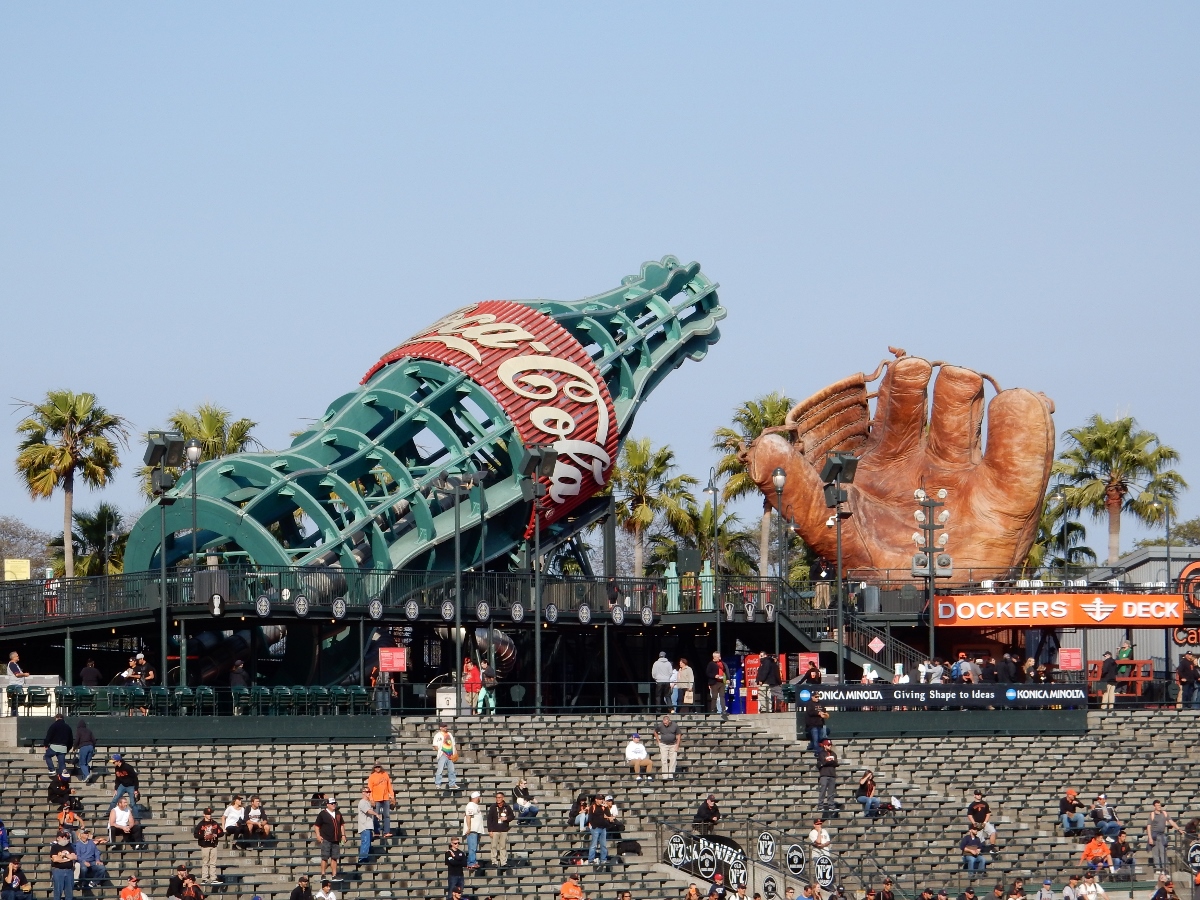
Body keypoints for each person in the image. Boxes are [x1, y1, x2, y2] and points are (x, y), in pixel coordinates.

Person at [1147, 799, 1185, 875]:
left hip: (1161, 835)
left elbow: (1171, 822)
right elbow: (1148, 827)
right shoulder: (1152, 814)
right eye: (1157, 805)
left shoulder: (1164, 813)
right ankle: (1157, 868)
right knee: (1155, 853)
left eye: (1159, 805)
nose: (1159, 806)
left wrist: (1179, 829)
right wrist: (1150, 838)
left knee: (1163, 852)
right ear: (1154, 806)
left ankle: (1164, 869)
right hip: (1154, 835)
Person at [313, 797, 345, 880]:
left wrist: (343, 835)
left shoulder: (338, 813)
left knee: (334, 857)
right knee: (325, 857)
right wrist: (318, 836)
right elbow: (316, 826)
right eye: (332, 803)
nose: (334, 805)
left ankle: (334, 874)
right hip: (326, 838)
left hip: (336, 839)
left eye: (334, 803)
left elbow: (341, 825)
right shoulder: (323, 814)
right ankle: (323, 874)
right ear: (327, 805)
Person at [486, 790, 515, 871]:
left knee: (503, 846)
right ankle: (494, 862)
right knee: (493, 846)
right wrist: (490, 830)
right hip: (494, 830)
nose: (498, 799)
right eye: (497, 797)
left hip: (504, 830)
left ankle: (503, 862)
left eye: (499, 797)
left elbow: (512, 816)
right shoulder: (493, 807)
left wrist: (506, 818)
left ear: (503, 798)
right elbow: (489, 819)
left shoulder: (507, 807)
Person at [194, 807, 223, 884]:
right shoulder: (201, 824)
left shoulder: (214, 823)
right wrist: (204, 836)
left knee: (213, 863)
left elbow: (221, 832)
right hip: (205, 845)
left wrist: (215, 835)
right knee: (205, 862)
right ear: (204, 814)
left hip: (213, 844)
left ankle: (213, 878)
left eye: (210, 814)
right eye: (208, 814)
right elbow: (195, 835)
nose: (209, 815)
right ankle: (205, 878)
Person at [367, 763, 395, 839]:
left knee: (387, 815)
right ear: (374, 768)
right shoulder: (372, 776)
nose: (377, 768)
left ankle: (386, 831)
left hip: (385, 797)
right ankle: (376, 832)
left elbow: (389, 786)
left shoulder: (385, 774)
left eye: (379, 767)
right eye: (376, 767)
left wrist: (392, 797)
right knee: (376, 816)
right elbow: (370, 789)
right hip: (376, 799)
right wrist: (371, 799)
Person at [49, 831, 77, 900]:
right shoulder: (55, 847)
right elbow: (55, 859)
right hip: (58, 871)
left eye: (66, 836)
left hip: (69, 871)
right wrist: (68, 859)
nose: (64, 838)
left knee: (69, 893)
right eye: (62, 836)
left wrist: (65, 855)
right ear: (58, 838)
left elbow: (74, 857)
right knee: (58, 892)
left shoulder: (70, 846)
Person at [654, 714, 682, 781]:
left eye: (666, 723)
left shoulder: (675, 725)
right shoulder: (660, 725)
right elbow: (655, 732)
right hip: (663, 744)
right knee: (664, 759)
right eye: (664, 723)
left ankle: (671, 774)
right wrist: (658, 741)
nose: (665, 724)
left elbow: (679, 734)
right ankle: (665, 775)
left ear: (669, 721)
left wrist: (677, 745)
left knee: (673, 759)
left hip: (673, 744)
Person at [432, 723, 459, 791]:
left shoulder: (449, 734)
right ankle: (438, 783)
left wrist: (455, 752)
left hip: (450, 754)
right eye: (444, 727)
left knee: (452, 770)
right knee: (440, 770)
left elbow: (453, 744)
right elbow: (435, 745)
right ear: (440, 727)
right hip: (443, 754)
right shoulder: (437, 735)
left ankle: (452, 784)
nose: (445, 728)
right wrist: (441, 751)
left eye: (446, 726)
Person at [463, 791, 486, 870]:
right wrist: (469, 828)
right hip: (472, 830)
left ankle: (472, 861)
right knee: (472, 847)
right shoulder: (470, 805)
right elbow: (468, 816)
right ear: (476, 797)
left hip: (476, 830)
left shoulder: (475, 805)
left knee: (474, 847)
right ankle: (471, 863)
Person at [355, 787, 378, 865]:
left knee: (367, 842)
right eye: (367, 792)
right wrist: (376, 814)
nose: (369, 793)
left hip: (368, 825)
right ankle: (362, 858)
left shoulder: (367, 802)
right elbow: (368, 811)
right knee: (366, 842)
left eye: (369, 792)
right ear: (363, 793)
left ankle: (365, 856)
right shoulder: (362, 802)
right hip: (365, 826)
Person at [816, 739, 838, 813]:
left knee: (831, 791)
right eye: (828, 745)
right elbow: (823, 762)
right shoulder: (821, 753)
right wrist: (829, 762)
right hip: (824, 774)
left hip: (832, 774)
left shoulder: (833, 753)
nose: (830, 746)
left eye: (830, 745)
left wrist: (828, 761)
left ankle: (831, 805)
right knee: (823, 790)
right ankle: (820, 806)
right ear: (824, 745)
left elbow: (835, 763)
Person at [73, 720, 96, 785]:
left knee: (82, 763)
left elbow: (77, 740)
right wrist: (93, 746)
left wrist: (74, 747)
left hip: (83, 747)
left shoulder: (79, 731)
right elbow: (94, 740)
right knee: (86, 762)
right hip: (91, 746)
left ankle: (87, 774)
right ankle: (85, 777)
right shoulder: (89, 731)